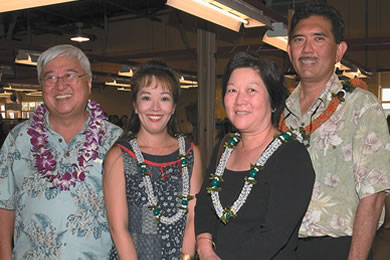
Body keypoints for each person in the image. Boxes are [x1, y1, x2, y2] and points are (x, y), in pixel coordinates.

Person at [279, 2, 390, 259]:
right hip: (282, 246)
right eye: (299, 40)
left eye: (319, 39)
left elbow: (372, 196)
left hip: (338, 248)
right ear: (289, 50)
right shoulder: (278, 112)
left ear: (339, 50)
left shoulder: (361, 106)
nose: (307, 49)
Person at [0, 44, 123, 259]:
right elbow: (4, 204)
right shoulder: (17, 139)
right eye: (50, 78)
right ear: (41, 86)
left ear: (89, 81)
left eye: (70, 75)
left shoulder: (116, 140)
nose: (60, 85)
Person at [195, 52, 315, 259]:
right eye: (232, 90)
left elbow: (273, 234)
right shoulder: (224, 148)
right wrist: (205, 249)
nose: (240, 100)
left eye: (251, 90)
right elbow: (205, 205)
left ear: (274, 102)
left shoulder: (291, 156)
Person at [103, 61, 203, 260]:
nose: (155, 107)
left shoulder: (191, 153)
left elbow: (194, 216)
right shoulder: (119, 156)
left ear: (173, 107)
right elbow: (118, 228)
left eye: (164, 98)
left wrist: (185, 257)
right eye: (146, 98)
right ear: (135, 105)